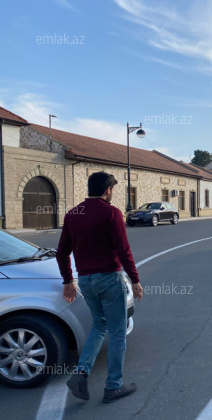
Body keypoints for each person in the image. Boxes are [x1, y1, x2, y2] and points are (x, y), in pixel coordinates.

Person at [56, 171, 143, 403]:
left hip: (85, 280)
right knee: (117, 332)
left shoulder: (73, 214)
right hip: (109, 279)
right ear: (107, 190)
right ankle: (113, 386)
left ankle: (81, 373)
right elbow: (124, 251)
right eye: (112, 189)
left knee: (99, 325)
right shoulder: (111, 213)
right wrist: (135, 281)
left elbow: (61, 253)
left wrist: (68, 281)